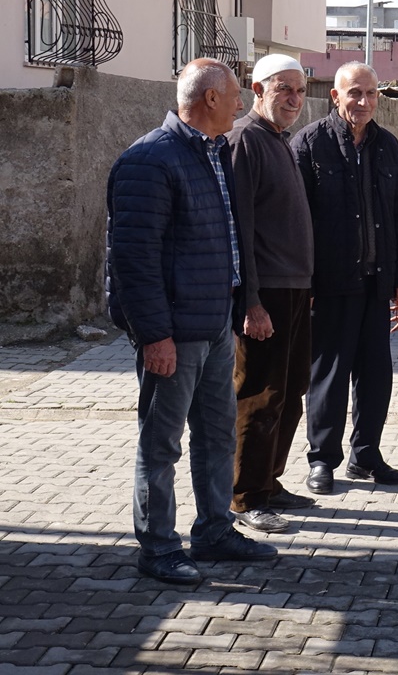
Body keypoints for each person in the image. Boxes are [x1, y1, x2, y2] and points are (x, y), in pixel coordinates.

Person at [107, 58, 276, 585]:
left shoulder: (212, 153)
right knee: (161, 444)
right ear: (208, 100)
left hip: (213, 328)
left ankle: (213, 531)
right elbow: (133, 261)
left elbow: (224, 243)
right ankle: (158, 547)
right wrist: (154, 335)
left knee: (216, 436)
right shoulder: (150, 160)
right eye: (233, 97)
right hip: (173, 335)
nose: (241, 106)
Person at [293, 62, 398, 494]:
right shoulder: (309, 144)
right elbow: (298, 221)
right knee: (328, 376)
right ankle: (322, 459)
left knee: (376, 375)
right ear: (335, 97)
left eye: (371, 94)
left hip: (376, 283)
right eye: (355, 94)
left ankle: (366, 456)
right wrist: (304, 282)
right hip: (330, 284)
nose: (363, 102)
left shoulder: (388, 147)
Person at [226, 54, 315, 535]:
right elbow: (241, 228)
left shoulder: (279, 141)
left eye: (299, 91)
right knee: (260, 394)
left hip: (295, 289)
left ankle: (270, 481)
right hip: (267, 294)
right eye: (283, 89)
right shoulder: (246, 140)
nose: (293, 99)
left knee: (292, 389)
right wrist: (251, 300)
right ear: (257, 90)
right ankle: (246, 495)